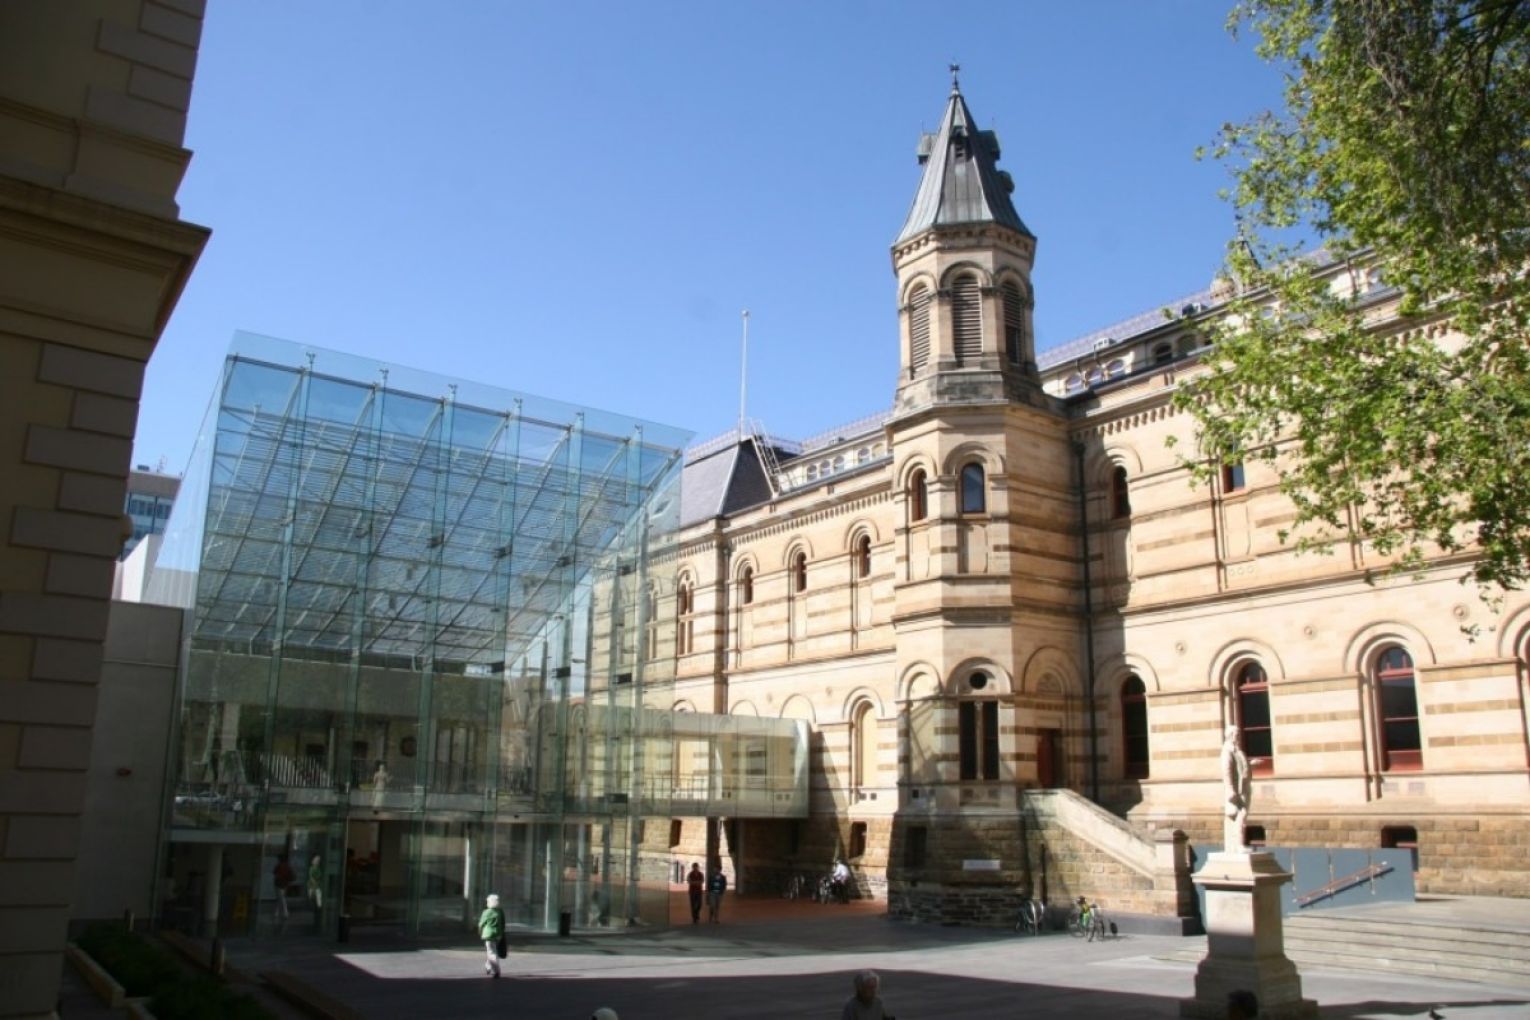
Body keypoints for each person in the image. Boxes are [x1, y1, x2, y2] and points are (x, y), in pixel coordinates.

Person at [1220, 723, 1251, 851]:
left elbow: (1241, 766)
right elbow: (1226, 771)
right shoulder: (1227, 751)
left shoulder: (1237, 750)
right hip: (1236, 789)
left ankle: (1238, 844)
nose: (1238, 736)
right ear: (1230, 735)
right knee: (1240, 814)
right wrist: (1230, 789)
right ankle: (1238, 844)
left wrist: (1251, 765)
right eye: (1236, 734)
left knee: (1242, 814)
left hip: (1243, 787)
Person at [478, 892, 506, 978]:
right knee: (492, 951)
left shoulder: (486, 912)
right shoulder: (500, 911)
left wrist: (480, 932)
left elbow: (481, 924)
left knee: (491, 952)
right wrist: (501, 933)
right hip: (498, 934)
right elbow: (503, 923)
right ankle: (488, 966)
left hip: (488, 934)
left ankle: (496, 971)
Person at [272, 854, 294, 928]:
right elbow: (291, 875)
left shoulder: (279, 866)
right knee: (280, 898)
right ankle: (277, 912)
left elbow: (274, 873)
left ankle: (285, 912)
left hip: (279, 884)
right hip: (285, 884)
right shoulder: (288, 866)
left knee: (281, 898)